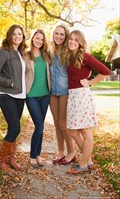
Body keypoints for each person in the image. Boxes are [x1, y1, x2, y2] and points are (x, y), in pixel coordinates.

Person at [65, 30, 110, 174]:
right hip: (73, 96)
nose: (72, 42)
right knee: (72, 131)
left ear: (80, 42)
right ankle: (88, 161)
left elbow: (105, 71)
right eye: (71, 39)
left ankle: (83, 164)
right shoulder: (70, 56)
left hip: (82, 96)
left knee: (86, 131)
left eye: (76, 40)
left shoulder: (85, 56)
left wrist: (90, 82)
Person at [0, 24, 27, 173]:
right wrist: (8, 82)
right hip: (7, 96)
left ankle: (11, 159)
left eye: (20, 34)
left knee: (14, 128)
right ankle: (1, 161)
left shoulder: (20, 52)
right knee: (15, 128)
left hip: (20, 96)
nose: (17, 37)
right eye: (14, 34)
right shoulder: (4, 52)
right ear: (9, 36)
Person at [49, 24, 76, 165]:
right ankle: (60, 152)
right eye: (56, 33)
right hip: (52, 92)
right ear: (53, 34)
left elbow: (80, 65)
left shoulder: (69, 52)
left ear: (65, 36)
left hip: (65, 91)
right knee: (56, 123)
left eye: (62, 34)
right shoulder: (49, 51)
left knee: (63, 123)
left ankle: (71, 153)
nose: (58, 36)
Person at [25, 29, 50, 168]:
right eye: (37, 38)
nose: (39, 41)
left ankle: (38, 154)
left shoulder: (46, 55)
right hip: (31, 96)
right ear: (32, 38)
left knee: (41, 126)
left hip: (45, 95)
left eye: (41, 39)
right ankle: (32, 155)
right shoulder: (26, 55)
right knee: (39, 125)